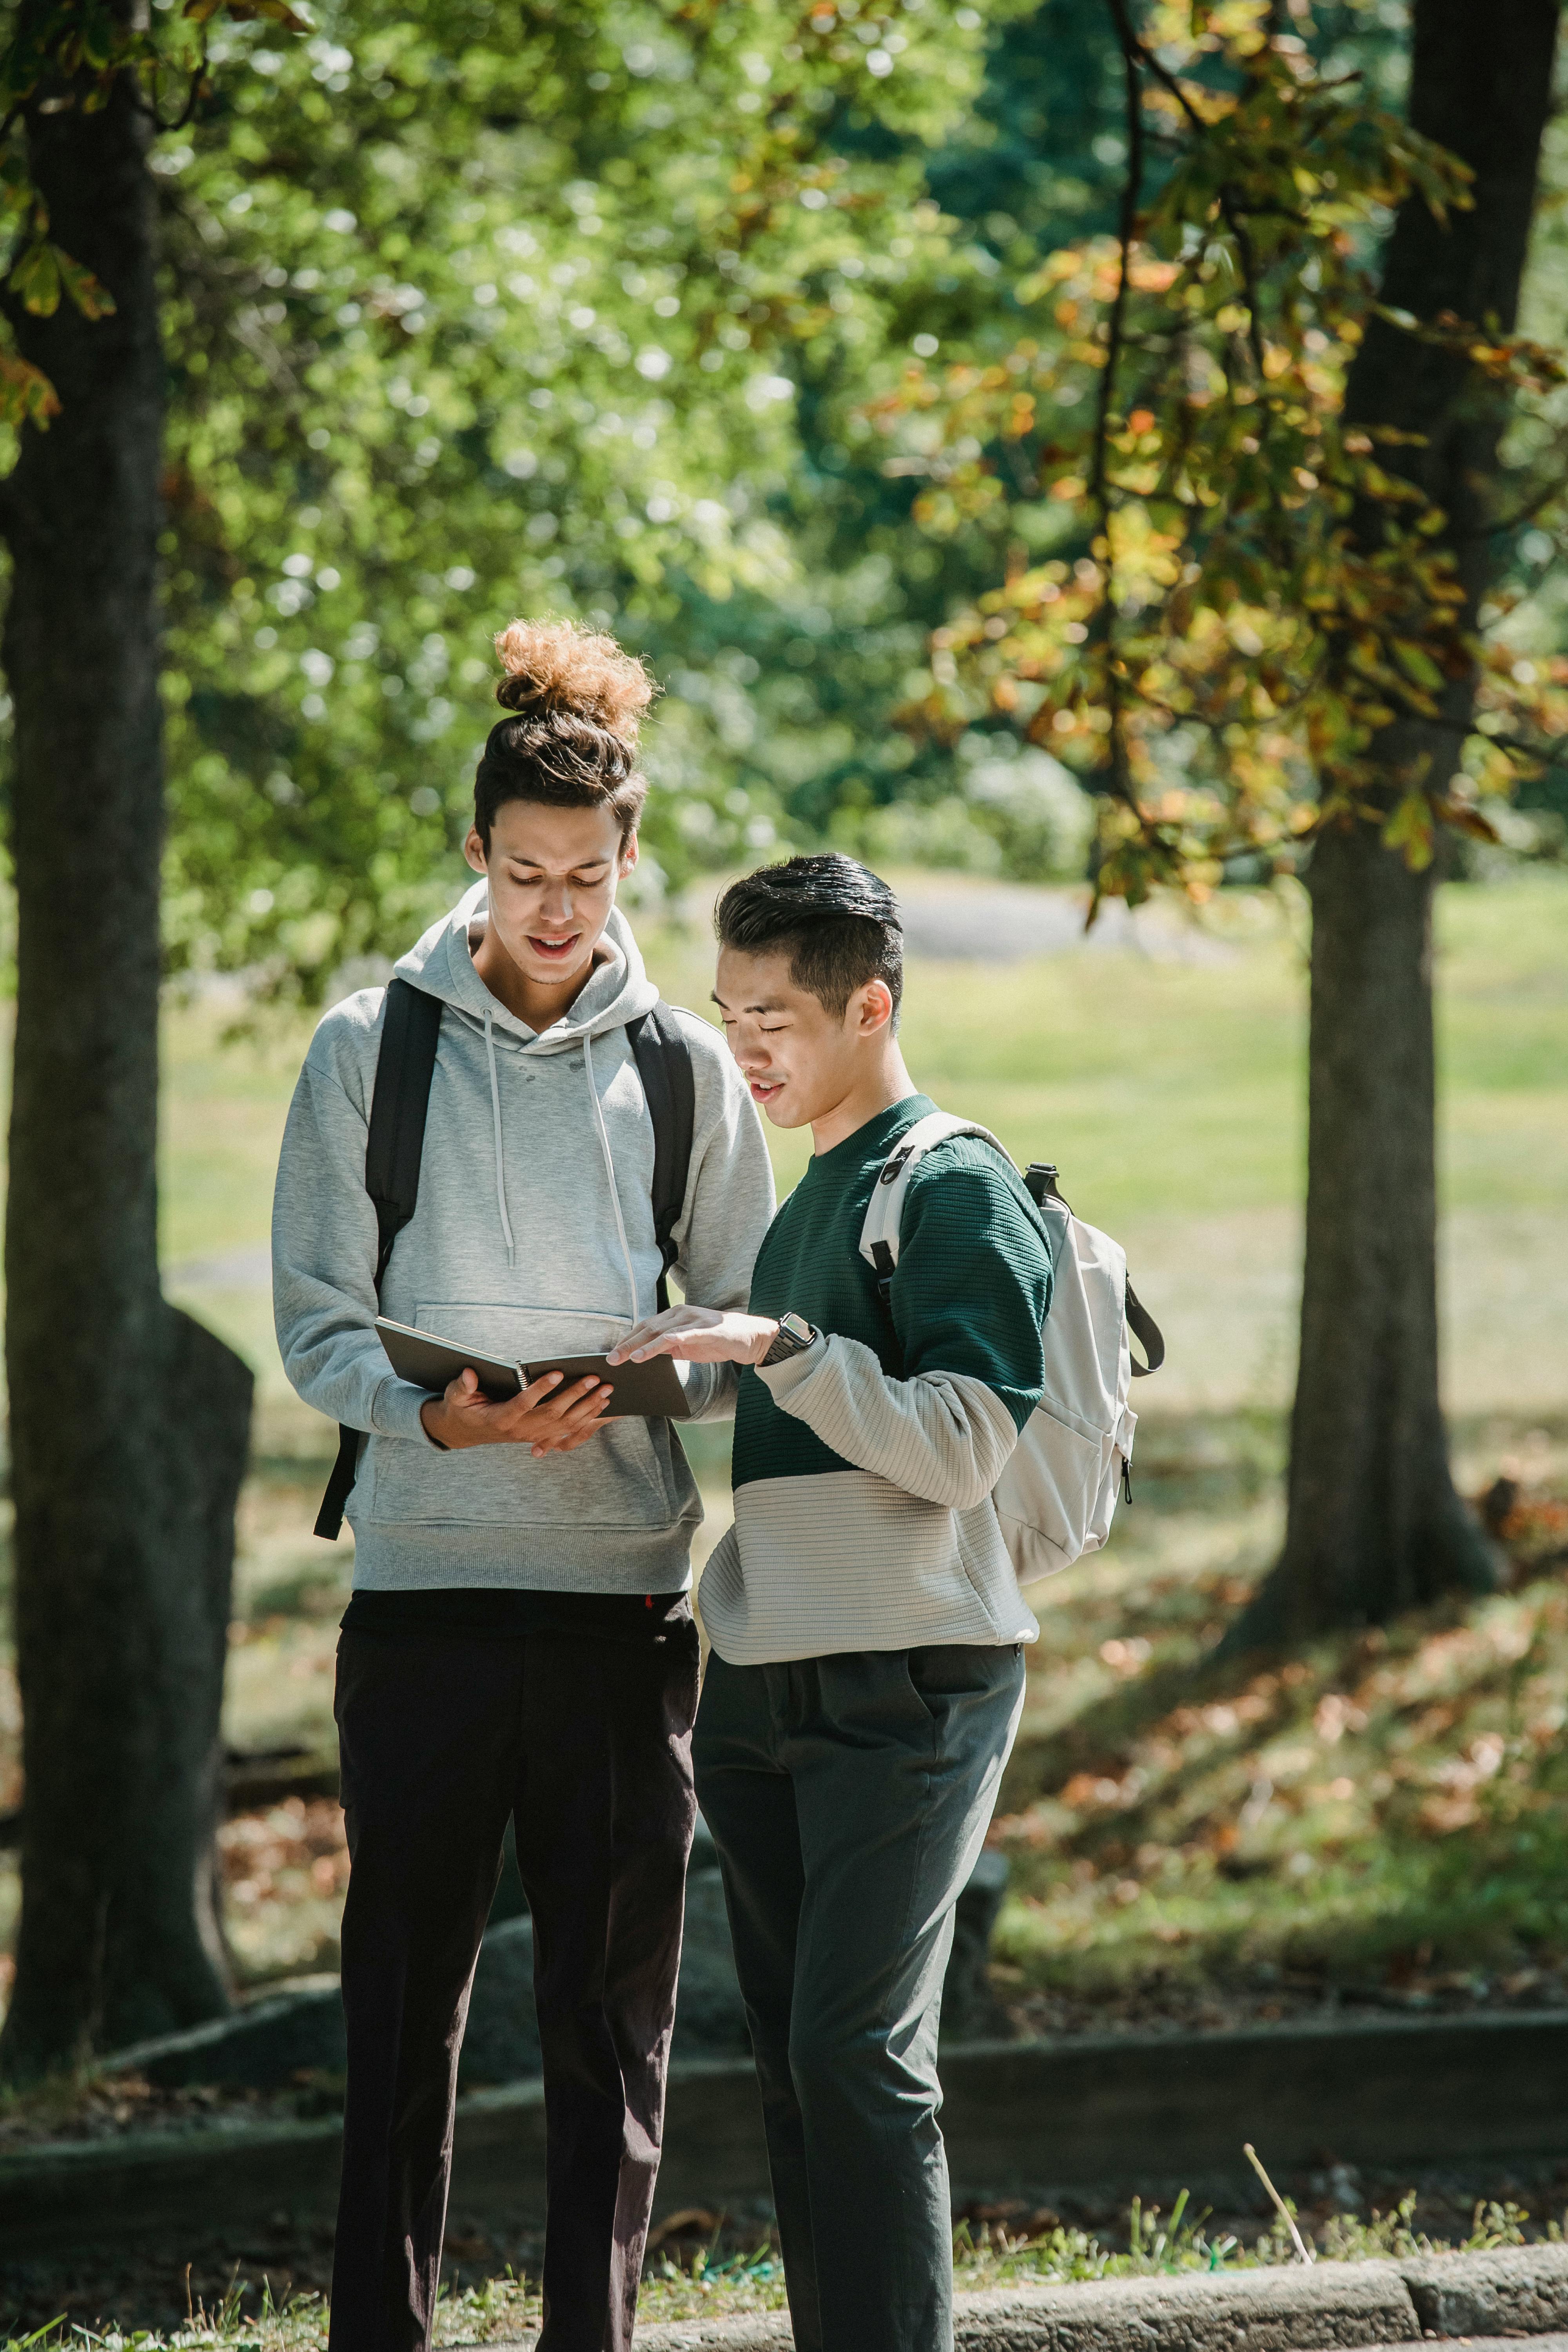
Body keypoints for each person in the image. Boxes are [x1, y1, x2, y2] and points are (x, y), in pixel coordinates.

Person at [271, 620, 775, 2352]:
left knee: (610, 2029)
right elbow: (320, 1329)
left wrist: (661, 1373)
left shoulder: (687, 1072)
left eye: (585, 875)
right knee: (403, 2022)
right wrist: (450, 1425)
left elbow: (746, 1335)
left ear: (630, 862)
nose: (554, 910)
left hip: (621, 1608)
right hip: (419, 1600)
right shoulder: (367, 1049)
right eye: (523, 872)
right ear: (474, 854)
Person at [607, 854, 1055, 2352]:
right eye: (729, 1011)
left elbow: (966, 1442)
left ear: (871, 1005)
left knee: (858, 2054)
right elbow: (806, 1416)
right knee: (802, 2065)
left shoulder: (955, 1181)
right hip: (769, 1672)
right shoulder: (808, 1198)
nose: (745, 1047)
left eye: (778, 1017)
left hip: (913, 1674)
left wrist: (783, 1344)